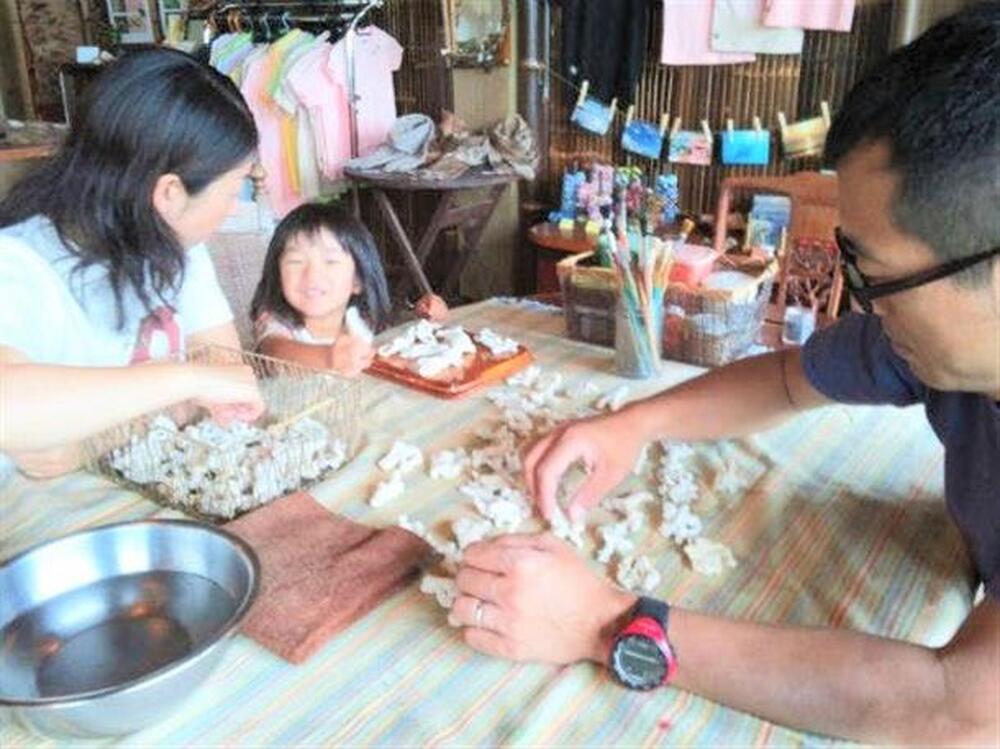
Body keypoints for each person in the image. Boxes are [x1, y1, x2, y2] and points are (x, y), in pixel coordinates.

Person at [450, 6, 1000, 745]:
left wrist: (609, 623)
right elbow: (788, 380)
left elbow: (960, 710)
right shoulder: (932, 343)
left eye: (875, 273)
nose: (862, 302)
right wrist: (631, 424)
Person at [0, 48, 266, 480]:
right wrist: (184, 381)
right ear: (170, 194)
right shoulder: (17, 263)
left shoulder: (180, 247)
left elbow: (223, 377)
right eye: (234, 189)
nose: (234, 207)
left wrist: (89, 439)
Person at [249, 202, 391, 376]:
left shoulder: (360, 320)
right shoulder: (275, 322)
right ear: (277, 275)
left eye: (330, 261)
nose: (312, 274)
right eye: (296, 261)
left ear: (358, 280)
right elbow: (275, 354)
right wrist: (329, 358)